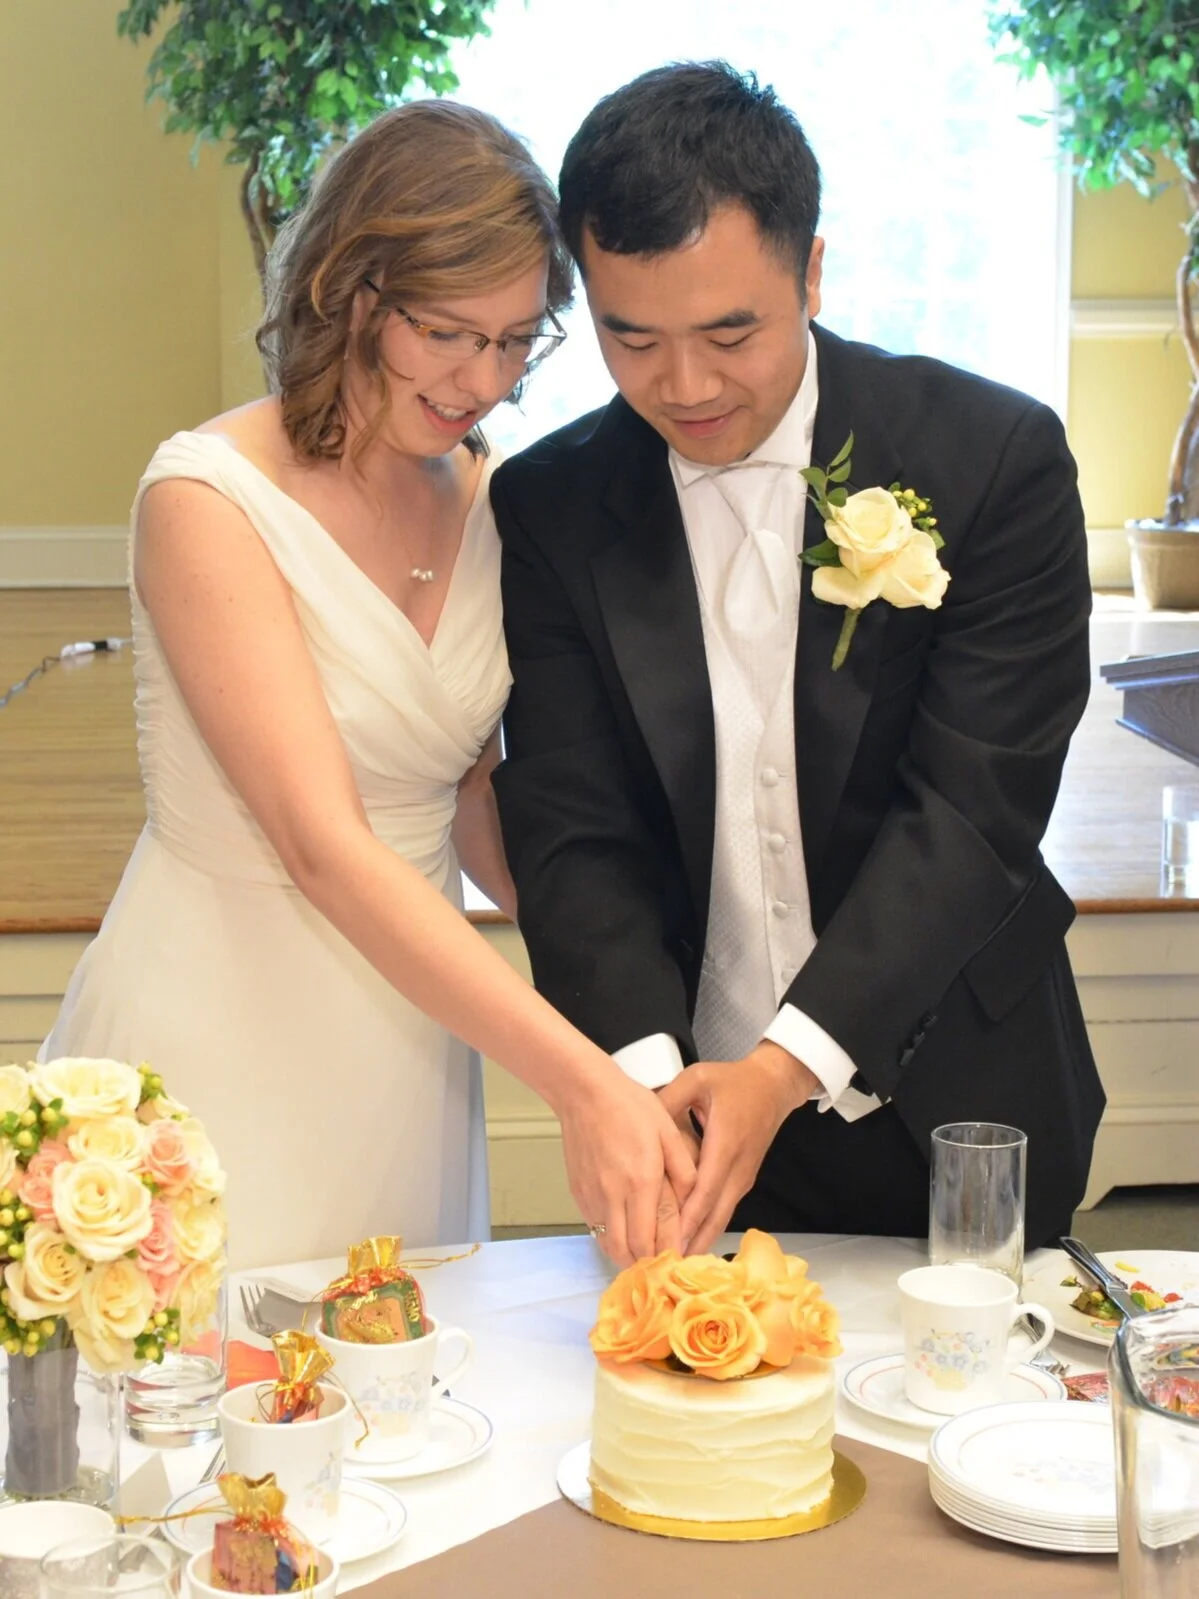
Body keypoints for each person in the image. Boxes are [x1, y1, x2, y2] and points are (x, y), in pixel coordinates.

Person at [42, 101, 694, 1270]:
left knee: (399, 1403)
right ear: (350, 289)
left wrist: (645, 979)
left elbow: (472, 792)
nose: (480, 379)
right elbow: (319, 843)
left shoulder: (490, 492)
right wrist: (580, 1079)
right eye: (447, 332)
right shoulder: (205, 502)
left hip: (406, 1035)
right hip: (218, 1016)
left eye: (513, 340)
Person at [491, 62, 1104, 1256]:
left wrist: (783, 1069)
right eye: (631, 338)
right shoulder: (550, 503)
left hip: (959, 1099)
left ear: (811, 270)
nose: (685, 385)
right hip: (685, 1112)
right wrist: (645, 1077)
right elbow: (573, 824)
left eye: (731, 331)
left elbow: (973, 812)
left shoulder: (992, 458)